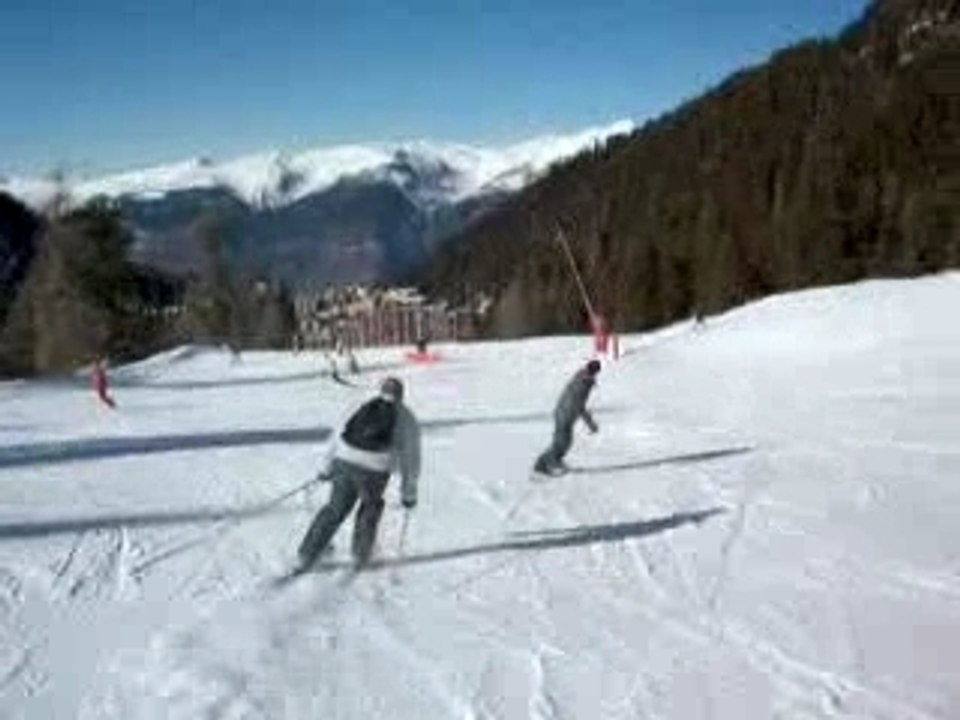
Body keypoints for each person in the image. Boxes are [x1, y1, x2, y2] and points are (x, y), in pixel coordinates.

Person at [297, 377, 421, 570]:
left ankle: (307, 554)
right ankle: (361, 556)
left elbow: (337, 435)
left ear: (380, 390)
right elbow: (411, 459)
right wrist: (409, 494)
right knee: (369, 509)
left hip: (345, 461)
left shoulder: (360, 405)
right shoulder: (406, 417)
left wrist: (325, 468)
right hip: (376, 470)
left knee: (334, 509)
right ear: (401, 395)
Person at [533, 360, 601, 475]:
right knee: (561, 442)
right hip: (564, 414)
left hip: (566, 413)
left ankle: (551, 461)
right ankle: (545, 464)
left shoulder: (583, 378)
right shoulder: (583, 383)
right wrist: (591, 424)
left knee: (565, 441)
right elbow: (579, 406)